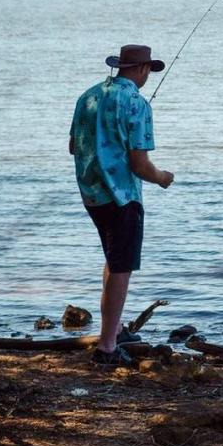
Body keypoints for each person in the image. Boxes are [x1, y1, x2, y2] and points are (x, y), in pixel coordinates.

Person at [69, 44, 174, 367]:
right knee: (122, 267)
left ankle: (110, 331)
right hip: (122, 196)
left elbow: (74, 147)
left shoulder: (87, 96)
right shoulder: (136, 104)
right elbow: (140, 164)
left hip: (92, 194)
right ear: (143, 69)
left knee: (113, 262)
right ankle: (108, 347)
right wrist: (162, 178)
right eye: (147, 71)